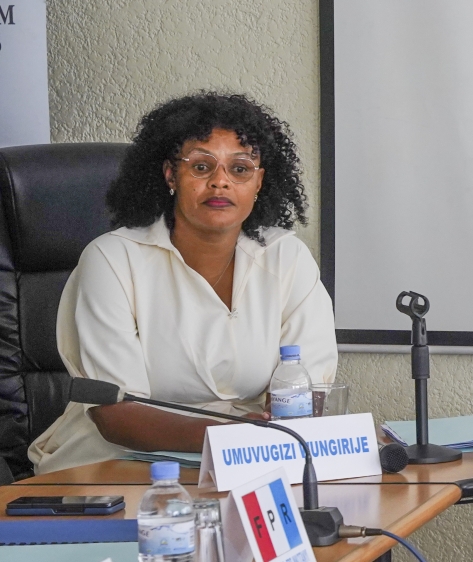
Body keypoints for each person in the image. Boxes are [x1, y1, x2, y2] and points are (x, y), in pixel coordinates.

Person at [29, 92, 338, 473]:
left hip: (248, 457)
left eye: (240, 169)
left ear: (259, 182)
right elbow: (116, 416)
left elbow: (309, 390)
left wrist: (278, 425)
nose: (220, 182)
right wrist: (233, 433)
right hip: (118, 461)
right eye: (201, 167)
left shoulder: (286, 258)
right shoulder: (112, 259)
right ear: (170, 175)